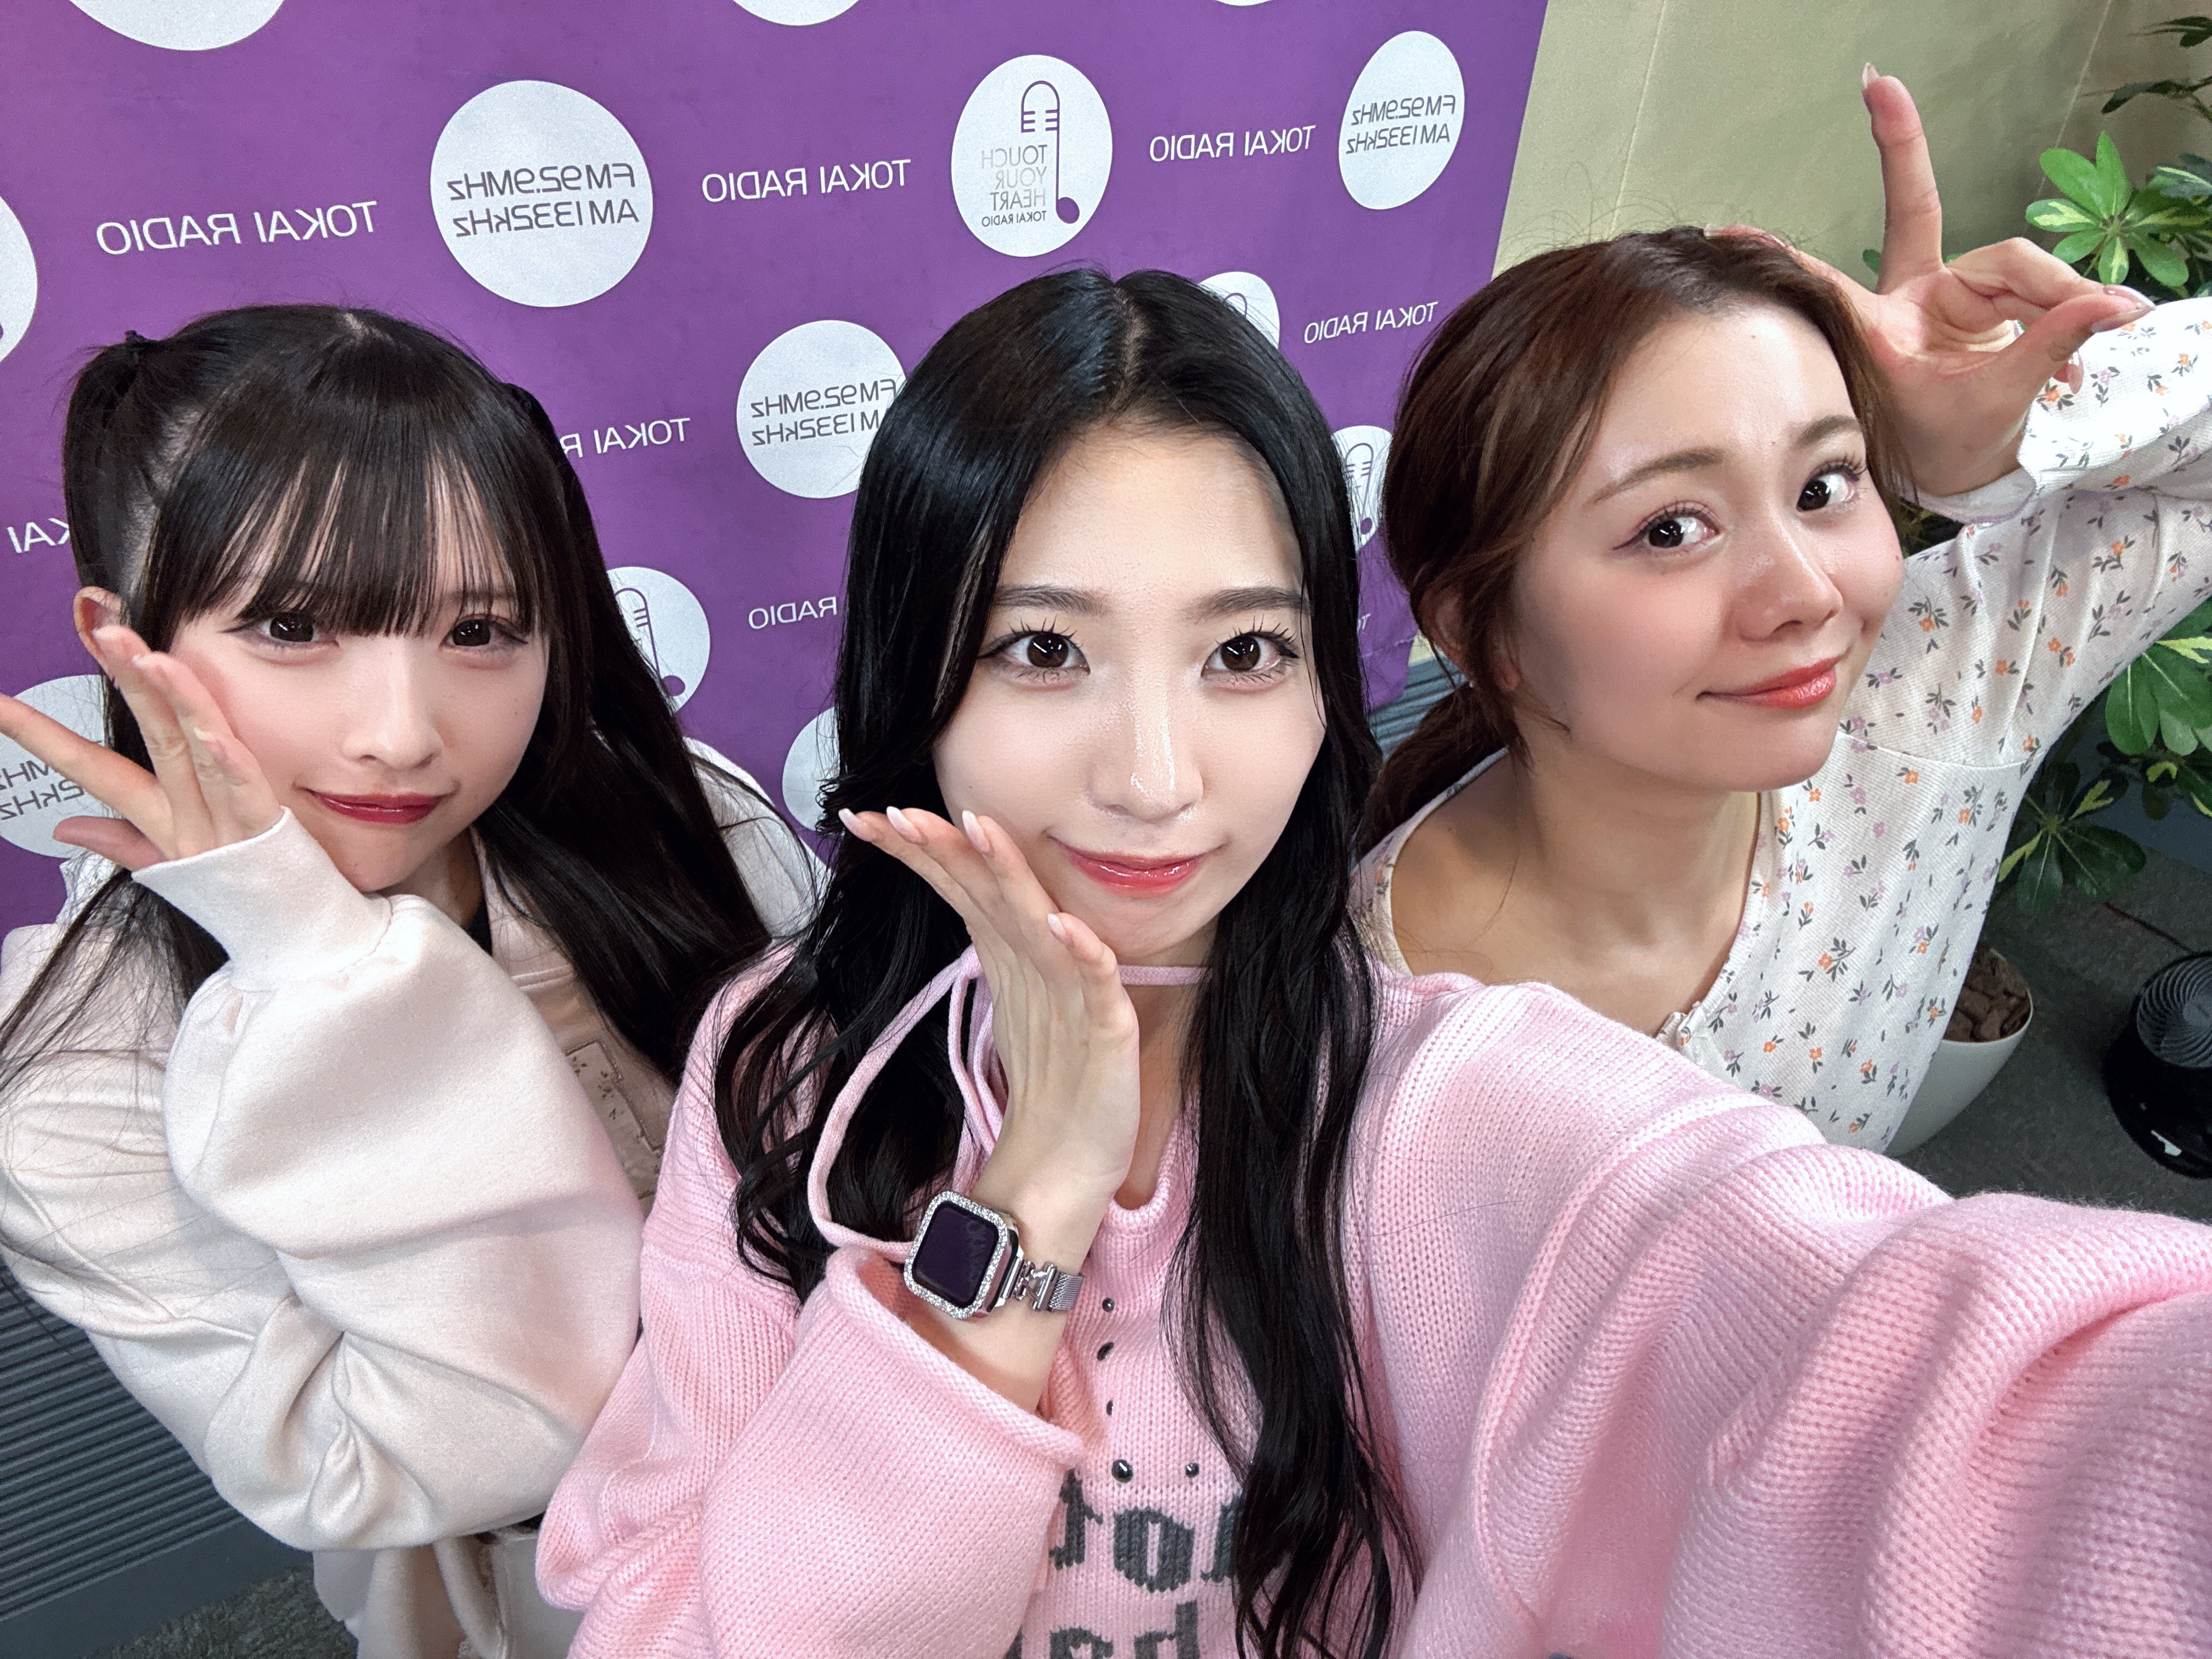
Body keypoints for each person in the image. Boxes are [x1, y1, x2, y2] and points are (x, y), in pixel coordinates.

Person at [536, 267, 2211, 1659]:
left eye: (1243, 653)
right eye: (1044, 648)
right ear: (916, 679)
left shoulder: (1425, 1090)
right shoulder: (792, 1070)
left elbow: (1911, 1382)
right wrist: (1033, 1194)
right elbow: (655, 1618)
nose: (1157, 778)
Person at [0, 306, 819, 1659]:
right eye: (292, 624)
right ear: (125, 640)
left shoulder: (688, 825)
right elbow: (385, 1459)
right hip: (536, 1596)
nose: (400, 733)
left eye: (482, 629)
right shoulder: (83, 1060)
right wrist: (317, 967)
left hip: (849, 1485)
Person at [1355, 72, 2179, 1146]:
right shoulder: (1387, 1037)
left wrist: (1994, 457)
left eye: (1826, 484)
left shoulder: (1930, 703)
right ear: (1482, 632)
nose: (1806, 594)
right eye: (1669, 529)